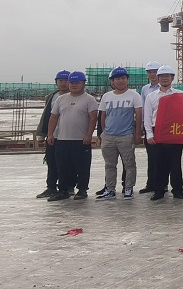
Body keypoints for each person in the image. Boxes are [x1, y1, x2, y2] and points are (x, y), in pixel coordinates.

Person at [46, 71, 99, 201]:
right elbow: (53, 117)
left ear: (83, 84)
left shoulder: (89, 99)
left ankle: (82, 189)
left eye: (77, 83)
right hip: (62, 139)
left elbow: (93, 118)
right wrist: (50, 134)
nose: (74, 85)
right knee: (62, 166)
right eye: (72, 83)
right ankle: (63, 190)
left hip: (80, 140)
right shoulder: (61, 99)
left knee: (82, 166)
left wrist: (89, 135)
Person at [96, 67, 143, 200]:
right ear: (112, 81)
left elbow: (139, 115)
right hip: (109, 136)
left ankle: (128, 188)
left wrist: (137, 134)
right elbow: (103, 116)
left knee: (129, 164)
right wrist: (103, 133)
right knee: (110, 165)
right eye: (117, 79)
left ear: (127, 80)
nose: (120, 81)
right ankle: (110, 189)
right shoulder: (106, 96)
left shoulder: (134, 95)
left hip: (126, 136)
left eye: (123, 78)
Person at [141, 65, 183, 200]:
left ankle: (177, 190)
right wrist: (149, 134)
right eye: (162, 76)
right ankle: (159, 190)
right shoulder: (151, 96)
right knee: (158, 163)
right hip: (157, 132)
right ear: (158, 78)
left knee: (175, 163)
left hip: (174, 131)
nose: (164, 78)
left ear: (172, 78)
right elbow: (148, 117)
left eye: (167, 76)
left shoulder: (179, 94)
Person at [36, 70, 70, 199]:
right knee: (51, 161)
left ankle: (67, 187)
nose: (63, 83)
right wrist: (42, 134)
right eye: (60, 81)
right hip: (52, 135)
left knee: (67, 163)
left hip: (69, 136)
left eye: (66, 81)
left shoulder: (76, 96)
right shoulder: (51, 97)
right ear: (56, 82)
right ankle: (51, 187)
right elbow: (46, 116)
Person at [137, 60, 162, 194]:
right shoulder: (145, 89)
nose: (152, 74)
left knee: (162, 158)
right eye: (149, 72)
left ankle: (162, 184)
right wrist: (142, 125)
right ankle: (150, 183)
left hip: (163, 127)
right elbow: (143, 109)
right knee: (151, 157)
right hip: (150, 127)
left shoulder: (166, 87)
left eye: (154, 72)